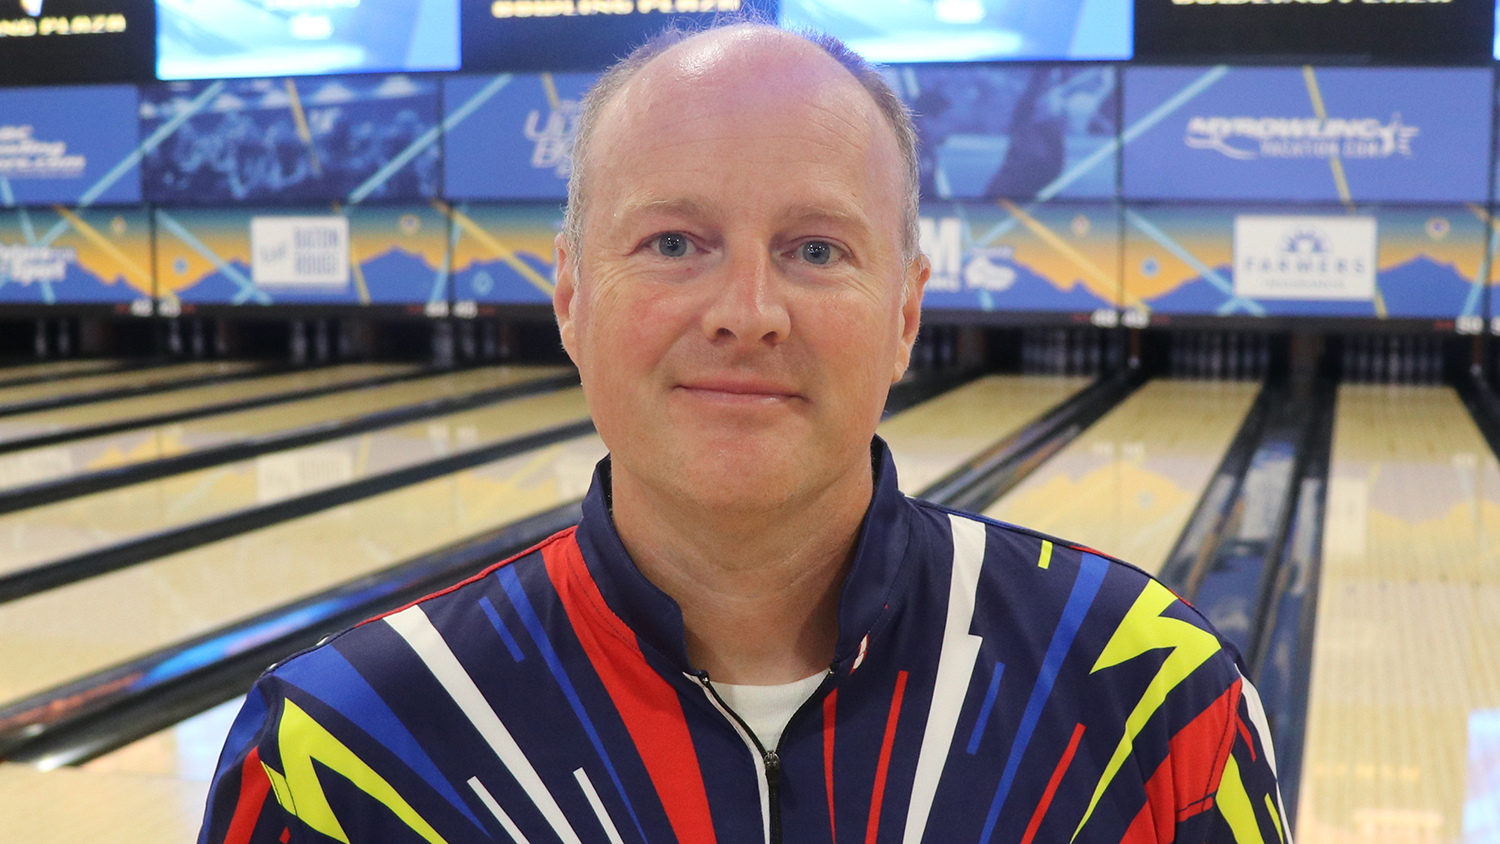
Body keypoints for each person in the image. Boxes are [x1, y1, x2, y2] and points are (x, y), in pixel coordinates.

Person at [199, 21, 1289, 844]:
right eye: (675, 242)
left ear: (906, 313)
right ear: (571, 298)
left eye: (817, 250)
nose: (746, 310)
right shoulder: (342, 758)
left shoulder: (1151, 701)